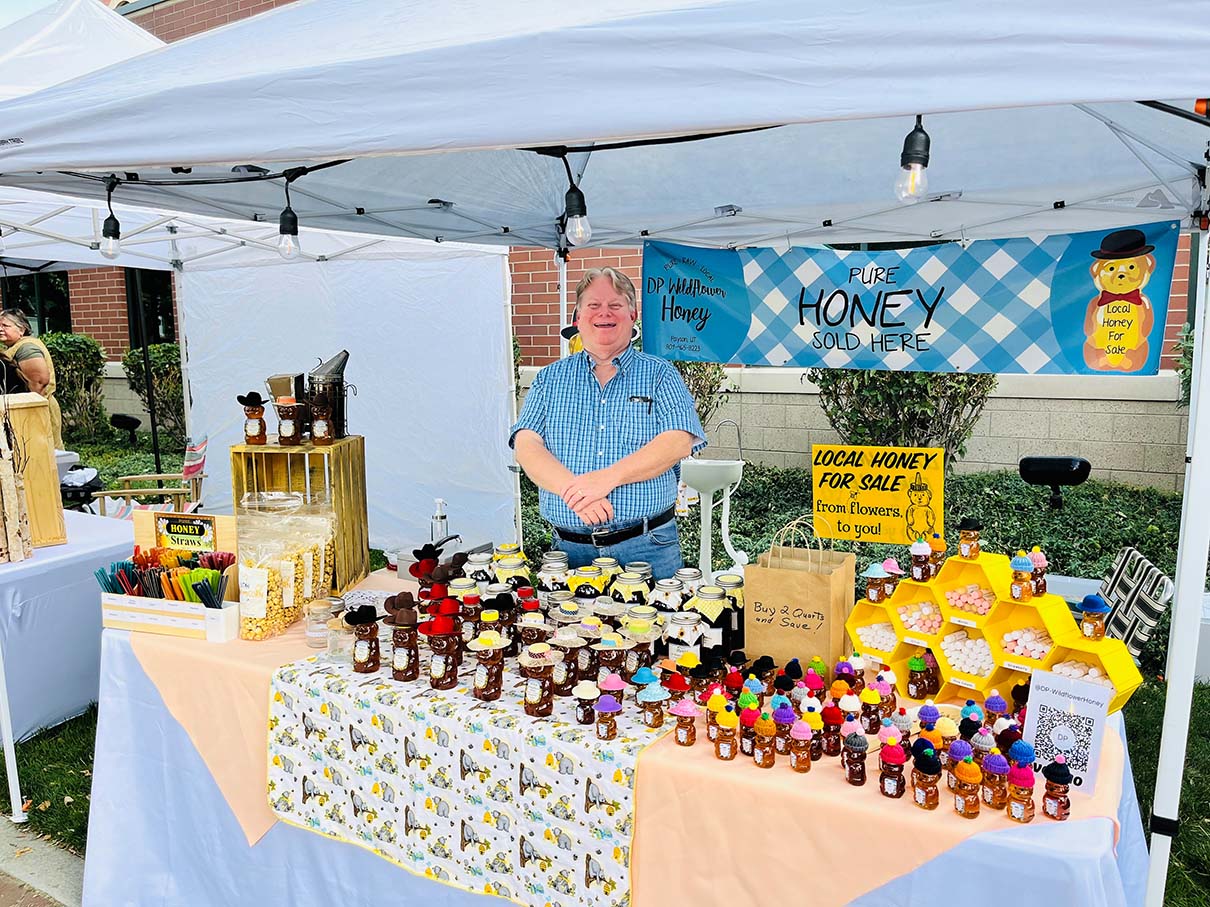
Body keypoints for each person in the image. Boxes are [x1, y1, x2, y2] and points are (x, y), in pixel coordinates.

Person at [510, 267, 706, 577]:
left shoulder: (660, 374)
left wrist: (608, 478)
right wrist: (574, 493)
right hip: (568, 551)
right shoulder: (549, 379)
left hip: (647, 548)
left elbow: (679, 439)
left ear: (632, 314)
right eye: (594, 305)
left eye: (615, 305)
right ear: (577, 317)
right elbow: (526, 445)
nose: (605, 313)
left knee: (654, 626)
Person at [0, 309, 63, 449]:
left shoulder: (26, 348)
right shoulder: (15, 347)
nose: (0, 329)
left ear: (21, 330)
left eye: (5, 326)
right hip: (29, 410)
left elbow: (39, 382)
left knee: (45, 455)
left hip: (37, 410)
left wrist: (30, 413)